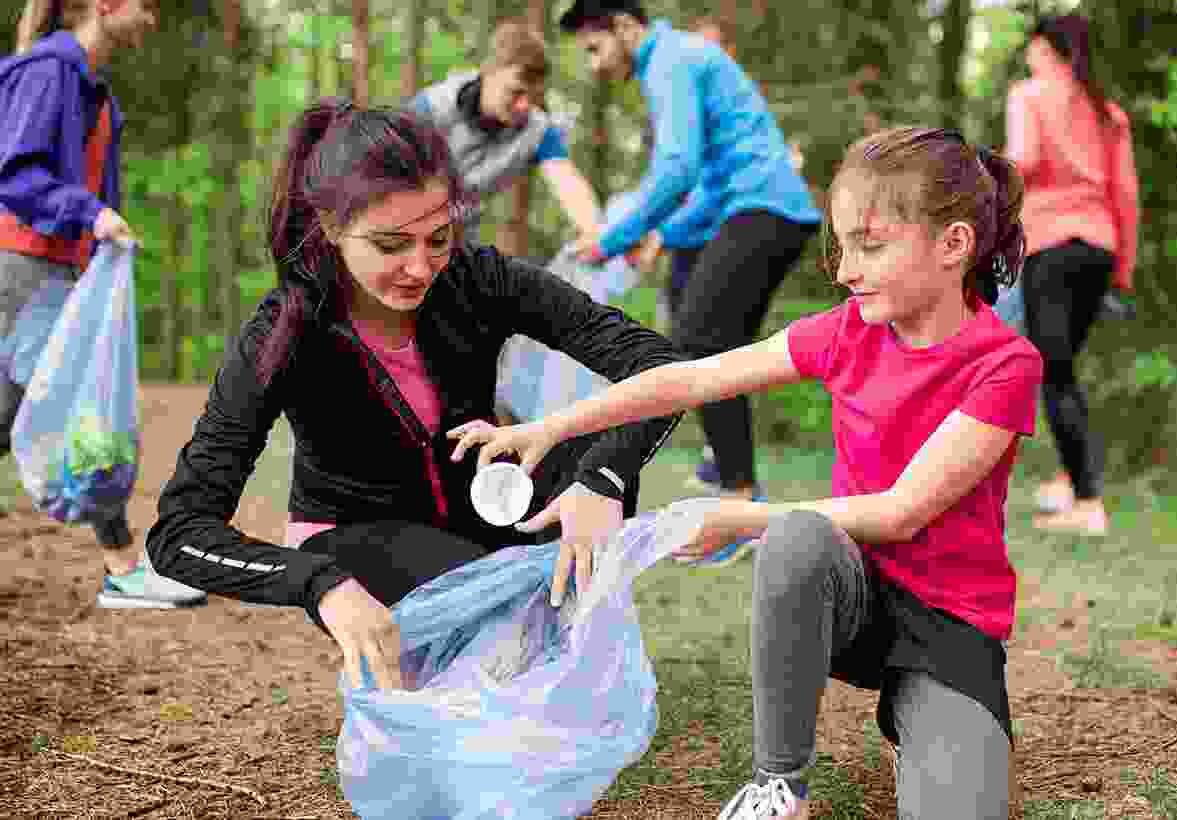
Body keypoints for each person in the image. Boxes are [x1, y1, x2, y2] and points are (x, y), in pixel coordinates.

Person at [452, 126, 1042, 820]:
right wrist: (552, 427)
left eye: (871, 246)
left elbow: (902, 512)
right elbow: (691, 379)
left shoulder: (1005, 366)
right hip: (848, 592)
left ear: (953, 245)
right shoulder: (848, 330)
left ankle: (916, 711)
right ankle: (779, 786)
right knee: (798, 537)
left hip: (948, 623)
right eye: (842, 247)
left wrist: (738, 518)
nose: (846, 271)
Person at [145, 100, 685, 691]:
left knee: (595, 451)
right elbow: (180, 532)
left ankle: (551, 647)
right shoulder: (286, 330)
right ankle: (509, 650)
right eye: (391, 245)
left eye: (438, 238)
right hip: (358, 538)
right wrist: (317, 583)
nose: (421, 268)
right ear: (331, 227)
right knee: (494, 619)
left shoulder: (477, 278)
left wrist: (602, 478)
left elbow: (660, 367)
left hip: (481, 505)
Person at [559, 0, 822, 556]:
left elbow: (678, 169)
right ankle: (728, 476)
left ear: (625, 27)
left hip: (764, 208)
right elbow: (705, 178)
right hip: (749, 209)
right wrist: (662, 234)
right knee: (703, 342)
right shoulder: (679, 59)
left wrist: (613, 237)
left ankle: (740, 502)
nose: (595, 64)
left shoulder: (670, 60)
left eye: (595, 48)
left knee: (701, 342)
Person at [1, 0, 205, 609]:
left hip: (56, 270)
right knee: (86, 415)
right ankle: (122, 568)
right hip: (25, 267)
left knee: (32, 414)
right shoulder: (49, 71)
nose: (151, 19)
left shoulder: (92, 88)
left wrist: (98, 240)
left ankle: (122, 568)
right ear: (106, 4)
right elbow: (15, 174)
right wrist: (90, 215)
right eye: (145, 5)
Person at [1005, 14, 1138, 536]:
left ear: (1046, 49)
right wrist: (1123, 269)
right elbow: (1125, 194)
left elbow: (1023, 160)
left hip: (1051, 245)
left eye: (1033, 47)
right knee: (1063, 366)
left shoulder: (1029, 96)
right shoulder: (1107, 111)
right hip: (1098, 250)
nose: (1028, 57)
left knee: (1054, 371)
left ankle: (1087, 504)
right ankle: (1070, 478)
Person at [410, 19, 604, 247]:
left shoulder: (537, 129)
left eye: (534, 96)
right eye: (515, 92)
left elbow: (567, 181)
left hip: (459, 240)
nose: (525, 106)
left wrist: (597, 233)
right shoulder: (431, 109)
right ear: (488, 71)